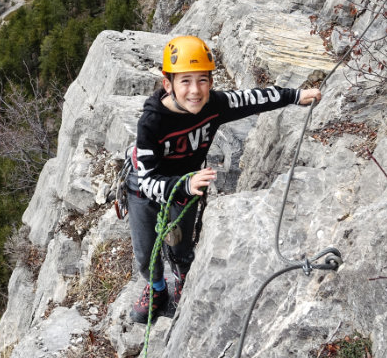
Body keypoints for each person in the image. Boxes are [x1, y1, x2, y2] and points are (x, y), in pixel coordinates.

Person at [127, 35, 322, 323]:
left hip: (187, 185)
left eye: (203, 80)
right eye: (185, 81)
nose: (195, 90)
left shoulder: (214, 105)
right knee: (145, 250)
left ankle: (182, 280)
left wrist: (295, 96)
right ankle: (156, 288)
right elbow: (146, 179)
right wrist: (183, 185)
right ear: (167, 84)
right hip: (147, 189)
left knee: (182, 246)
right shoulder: (152, 122)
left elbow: (252, 99)